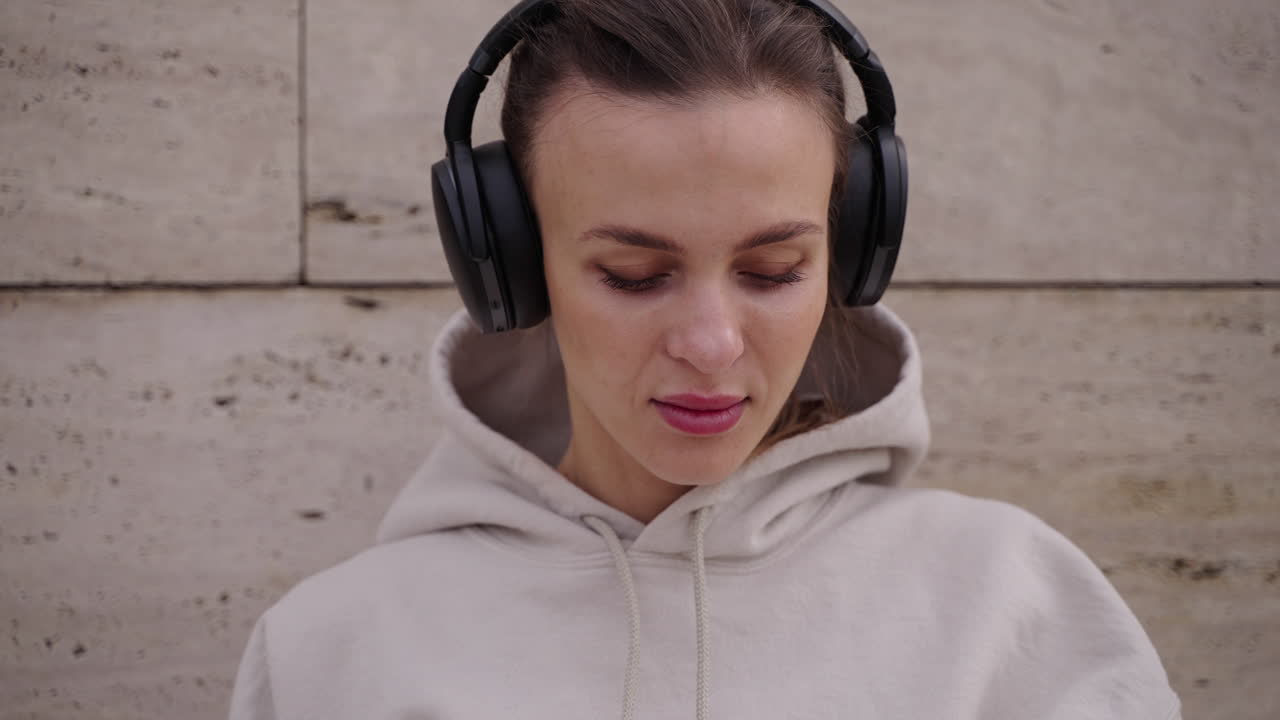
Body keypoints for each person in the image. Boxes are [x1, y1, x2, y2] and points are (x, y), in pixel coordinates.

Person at [228, 1, 1182, 717]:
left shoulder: (1011, 606)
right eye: (636, 275)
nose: (713, 344)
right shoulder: (332, 653)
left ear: (846, 257)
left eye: (772, 270)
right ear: (517, 267)